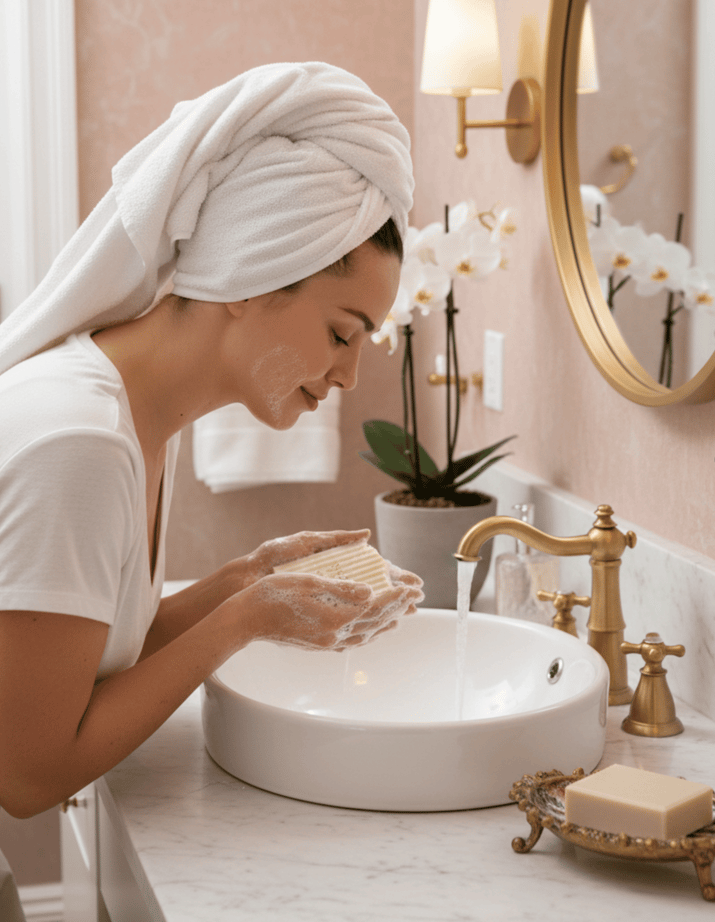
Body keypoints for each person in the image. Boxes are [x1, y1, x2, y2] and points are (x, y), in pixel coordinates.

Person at [0, 62, 422, 821]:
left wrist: (240, 580)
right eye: (340, 332)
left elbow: (86, 659)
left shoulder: (132, 419)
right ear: (255, 278)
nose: (352, 375)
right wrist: (246, 619)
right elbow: (29, 775)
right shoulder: (81, 441)